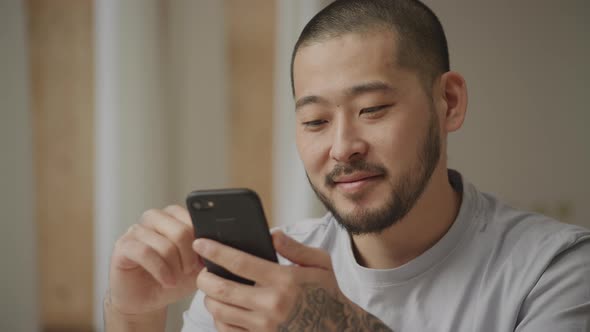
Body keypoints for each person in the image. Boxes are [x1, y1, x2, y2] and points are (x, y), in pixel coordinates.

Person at [104, 0, 590, 331]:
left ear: (449, 101)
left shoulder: (554, 271)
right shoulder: (262, 279)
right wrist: (131, 315)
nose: (341, 147)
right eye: (315, 120)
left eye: (372, 109)